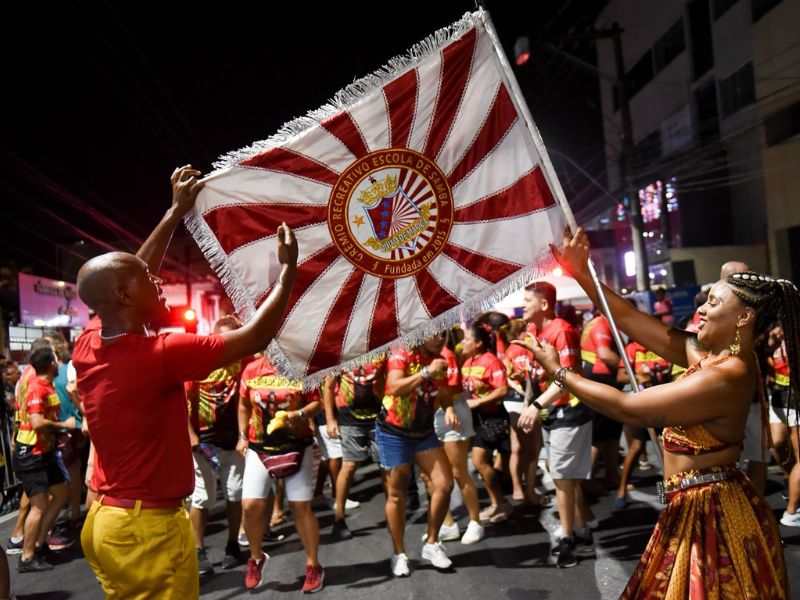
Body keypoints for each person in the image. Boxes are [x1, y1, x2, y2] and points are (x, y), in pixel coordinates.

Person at [515, 227, 791, 598]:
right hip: (690, 506)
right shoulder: (710, 355)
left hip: (712, 517)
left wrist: (560, 373)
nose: (701, 309)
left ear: (743, 318)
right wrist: (582, 272)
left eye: (713, 303)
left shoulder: (730, 373)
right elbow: (628, 318)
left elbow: (628, 407)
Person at [73, 165, 298, 599]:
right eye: (146, 281)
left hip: (104, 524)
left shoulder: (89, 342)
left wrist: (175, 213)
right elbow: (254, 336)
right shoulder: (160, 354)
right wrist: (287, 272)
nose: (157, 280)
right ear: (122, 296)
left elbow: (129, 272)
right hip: (146, 530)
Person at [516, 281, 595, 568]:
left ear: (545, 304)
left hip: (569, 414)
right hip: (552, 415)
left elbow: (568, 377)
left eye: (528, 300)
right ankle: (583, 532)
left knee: (562, 480)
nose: (523, 305)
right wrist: (529, 403)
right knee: (566, 478)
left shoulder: (562, 330)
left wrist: (535, 407)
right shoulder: (534, 332)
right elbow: (533, 376)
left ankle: (567, 539)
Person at [237, 355, 323, 592]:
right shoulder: (252, 370)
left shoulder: (303, 367)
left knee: (300, 508)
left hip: (297, 445)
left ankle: (313, 565)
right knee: (250, 505)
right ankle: (256, 558)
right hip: (259, 447)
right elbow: (244, 405)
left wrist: (298, 415)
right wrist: (242, 436)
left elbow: (317, 403)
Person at [377, 333, 456, 577]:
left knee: (444, 484)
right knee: (397, 494)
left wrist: (450, 406)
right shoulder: (402, 351)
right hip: (393, 432)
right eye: (437, 333)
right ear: (422, 332)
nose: (441, 338)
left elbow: (442, 393)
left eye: (446, 333)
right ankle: (398, 554)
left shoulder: (442, 359)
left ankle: (431, 544)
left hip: (424, 432)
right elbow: (395, 386)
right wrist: (426, 372)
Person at [185, 315, 248, 576]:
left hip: (234, 442)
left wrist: (245, 436)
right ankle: (198, 551)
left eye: (231, 338)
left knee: (235, 494)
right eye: (220, 338)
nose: (224, 344)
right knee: (202, 498)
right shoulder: (197, 363)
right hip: (203, 443)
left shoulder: (244, 361)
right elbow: (181, 400)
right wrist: (191, 436)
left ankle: (233, 545)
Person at [12, 347, 76, 572]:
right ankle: (27, 557)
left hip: (44, 451)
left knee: (61, 492)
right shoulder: (37, 387)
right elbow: (37, 422)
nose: (60, 362)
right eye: (57, 359)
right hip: (31, 453)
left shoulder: (46, 386)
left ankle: (38, 544)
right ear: (51, 364)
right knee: (38, 505)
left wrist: (58, 432)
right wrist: (64, 426)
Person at [325, 355, 387, 541]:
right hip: (349, 419)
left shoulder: (382, 348)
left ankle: (393, 510)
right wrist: (330, 419)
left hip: (379, 417)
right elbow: (328, 386)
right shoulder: (342, 352)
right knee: (349, 465)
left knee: (385, 466)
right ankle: (339, 518)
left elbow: (386, 376)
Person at [461, 323, 513, 524]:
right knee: (483, 464)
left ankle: (501, 503)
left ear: (479, 343)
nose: (463, 343)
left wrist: (478, 402)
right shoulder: (467, 362)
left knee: (480, 462)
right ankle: (496, 503)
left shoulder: (491, 361)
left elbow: (502, 390)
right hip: (476, 419)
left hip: (493, 418)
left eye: (467, 340)